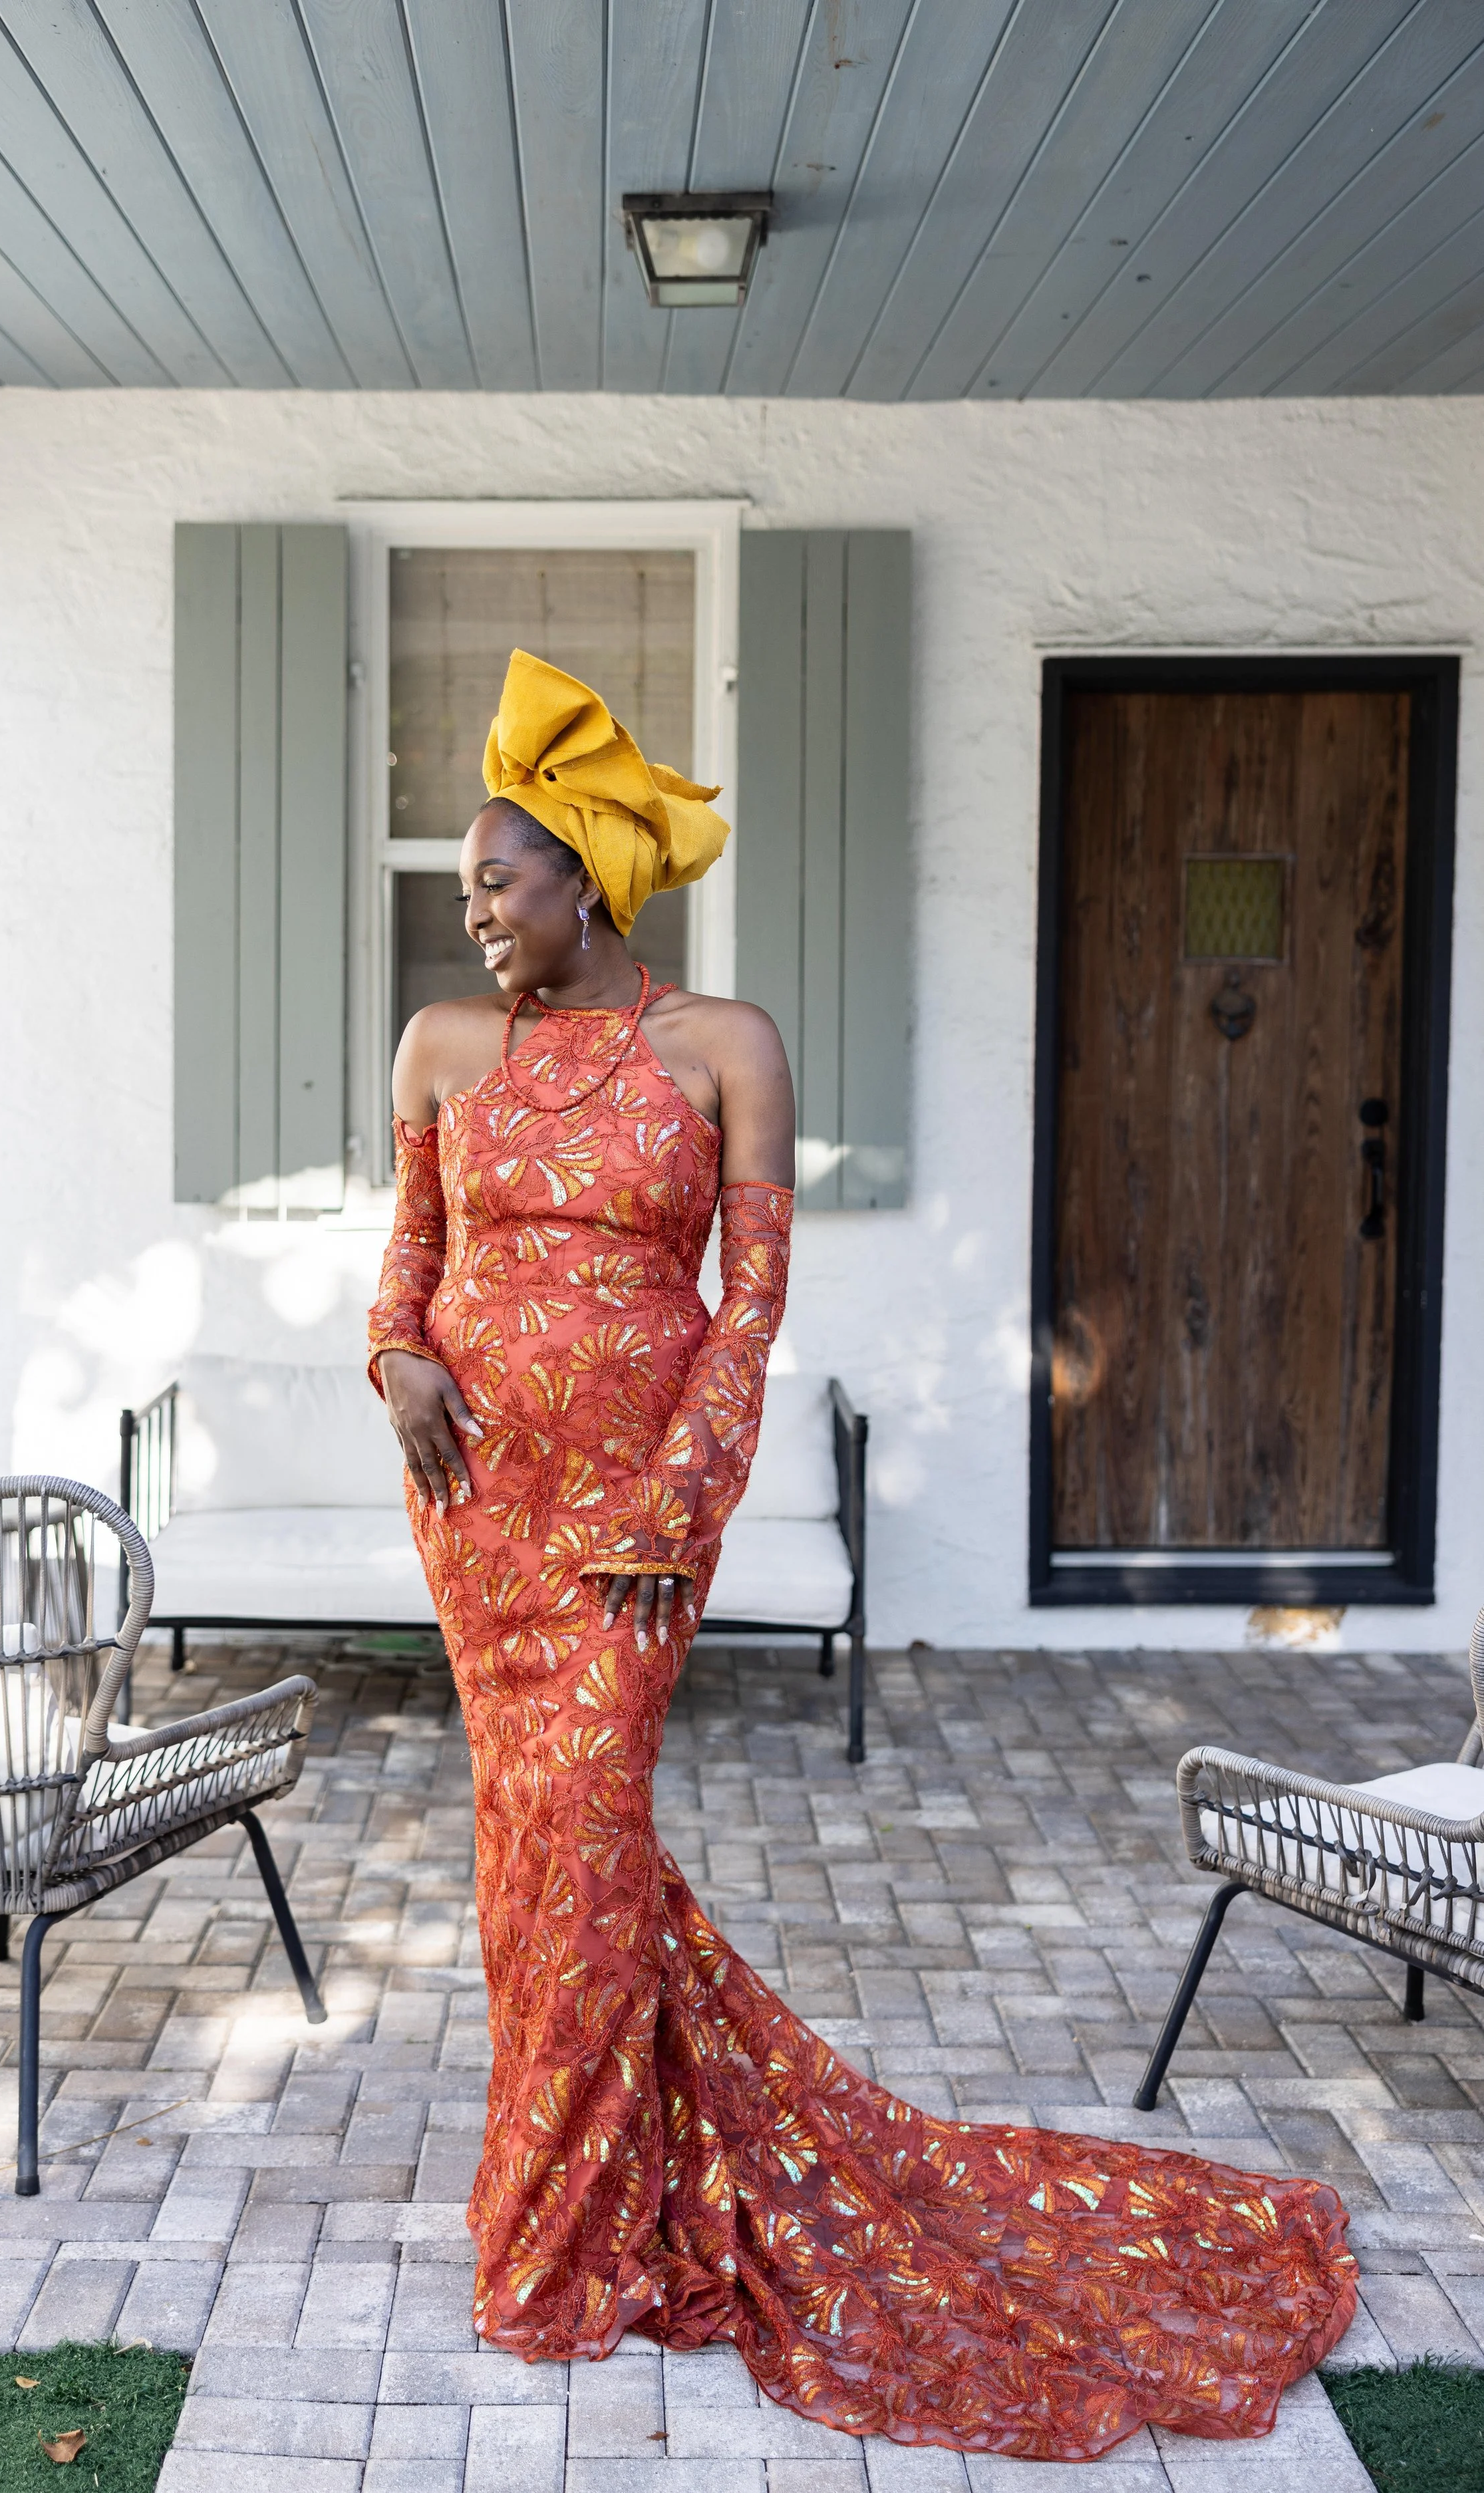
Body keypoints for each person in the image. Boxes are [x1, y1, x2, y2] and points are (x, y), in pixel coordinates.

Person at [367, 650, 1355, 2460]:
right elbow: (404, 1271)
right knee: (535, 1858)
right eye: (463, 897)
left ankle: (556, 2243)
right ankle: (579, 2196)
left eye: (492, 884)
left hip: (628, 1537)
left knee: (579, 1839)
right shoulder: (442, 1049)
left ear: (582, 873)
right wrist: (396, 1358)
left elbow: (745, 1315)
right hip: (479, 1522)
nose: (474, 917)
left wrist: (681, 1501)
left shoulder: (723, 1043)